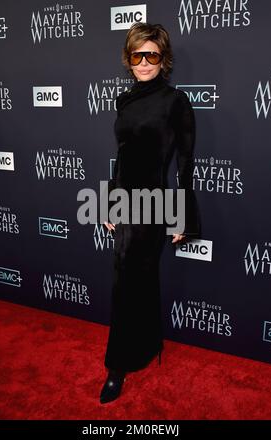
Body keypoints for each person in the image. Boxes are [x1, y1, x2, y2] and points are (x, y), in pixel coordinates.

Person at [99, 22, 200, 404]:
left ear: (163, 59)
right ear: (129, 58)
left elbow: (185, 162)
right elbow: (123, 156)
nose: (144, 62)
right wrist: (109, 200)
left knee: (128, 282)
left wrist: (182, 214)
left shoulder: (176, 101)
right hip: (124, 200)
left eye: (151, 55)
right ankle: (143, 347)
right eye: (137, 55)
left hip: (154, 205)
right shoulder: (123, 101)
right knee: (132, 282)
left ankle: (117, 365)